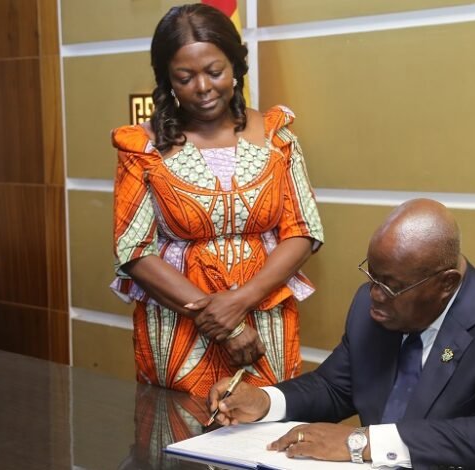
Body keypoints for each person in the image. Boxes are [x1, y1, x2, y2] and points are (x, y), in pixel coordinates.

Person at [208, 199, 475, 469]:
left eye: (391, 286)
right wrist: (266, 402)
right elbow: (335, 387)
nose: (374, 295)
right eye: (372, 276)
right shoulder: (374, 307)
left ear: (446, 285)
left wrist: (362, 442)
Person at [111, 3, 324, 398]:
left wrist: (241, 302)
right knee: (180, 438)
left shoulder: (277, 136)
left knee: (265, 434)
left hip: (265, 321)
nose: (204, 87)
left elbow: (303, 231)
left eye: (214, 71)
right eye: (185, 77)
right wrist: (227, 324)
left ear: (236, 67)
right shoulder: (142, 147)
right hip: (180, 328)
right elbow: (134, 251)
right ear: (168, 80)